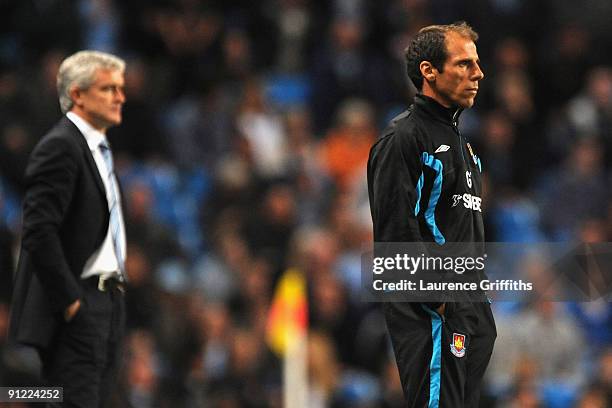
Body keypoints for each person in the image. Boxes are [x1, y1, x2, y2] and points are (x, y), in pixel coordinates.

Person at [367, 22, 496, 407]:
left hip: (468, 310)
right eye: (463, 64)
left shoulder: (464, 146)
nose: (478, 73)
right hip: (434, 311)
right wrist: (439, 298)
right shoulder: (403, 138)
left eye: (476, 63)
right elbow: (394, 233)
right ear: (429, 71)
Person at [9, 50, 128, 407]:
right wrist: (72, 303)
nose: (120, 97)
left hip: (105, 302)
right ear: (77, 94)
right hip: (78, 306)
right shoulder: (61, 146)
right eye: (108, 88)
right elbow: (38, 231)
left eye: (120, 88)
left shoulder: (98, 149)